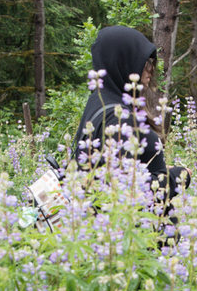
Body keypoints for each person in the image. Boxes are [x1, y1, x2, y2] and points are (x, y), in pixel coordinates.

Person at [71, 25, 184, 209]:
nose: (150, 69)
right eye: (144, 61)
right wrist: (177, 177)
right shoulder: (119, 117)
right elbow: (125, 193)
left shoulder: (99, 101)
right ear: (124, 61)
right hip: (129, 233)